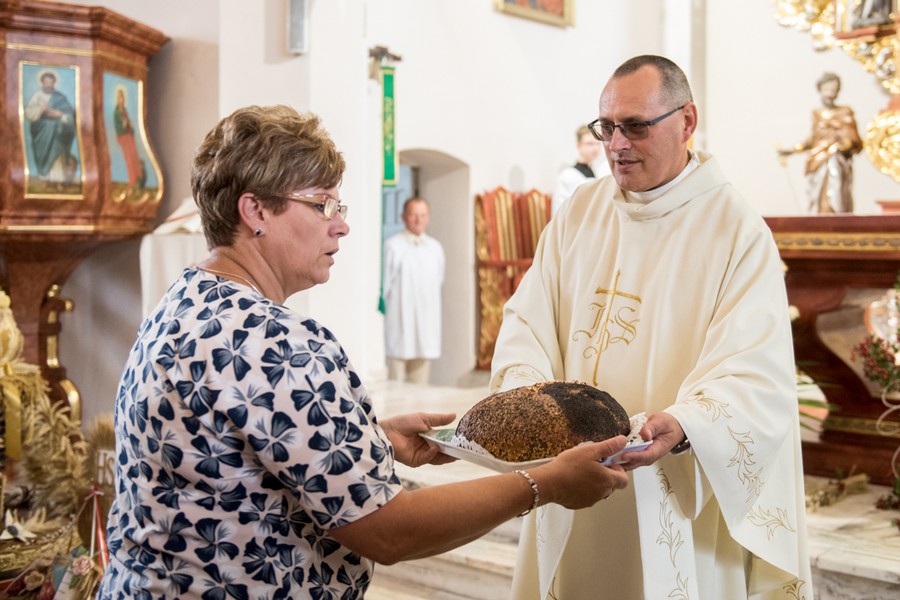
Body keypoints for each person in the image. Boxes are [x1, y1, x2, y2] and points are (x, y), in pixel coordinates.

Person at [98, 105, 630, 599]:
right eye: (322, 204)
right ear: (255, 210)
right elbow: (390, 530)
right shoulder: (278, 342)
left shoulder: (183, 301)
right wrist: (544, 483)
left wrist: (368, 440)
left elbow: (236, 454)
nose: (341, 224)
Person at [491, 55, 811, 600]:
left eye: (636, 126)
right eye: (607, 126)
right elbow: (528, 321)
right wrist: (530, 401)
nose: (616, 144)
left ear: (687, 121)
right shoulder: (579, 212)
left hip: (674, 487)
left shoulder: (735, 230)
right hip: (569, 473)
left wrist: (686, 423)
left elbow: (755, 369)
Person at [778, 72, 862, 214]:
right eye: (826, 89)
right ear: (820, 89)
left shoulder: (844, 112)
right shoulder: (817, 113)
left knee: (835, 192)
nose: (830, 93)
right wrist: (793, 149)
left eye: (833, 89)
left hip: (836, 158)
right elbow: (814, 139)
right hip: (818, 158)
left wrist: (842, 145)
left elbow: (853, 139)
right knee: (818, 194)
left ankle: (836, 219)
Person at [383, 197, 445, 384]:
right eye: (413, 215)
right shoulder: (393, 246)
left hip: (426, 325)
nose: (418, 220)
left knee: (420, 386)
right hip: (400, 324)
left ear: (428, 217)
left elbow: (439, 280)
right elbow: (385, 285)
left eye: (423, 215)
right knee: (395, 384)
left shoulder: (435, 247)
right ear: (403, 217)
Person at [24, 70, 77, 189]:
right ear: (42, 83)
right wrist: (41, 109)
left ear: (54, 83)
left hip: (57, 132)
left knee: (57, 155)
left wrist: (60, 114)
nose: (48, 85)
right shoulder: (37, 96)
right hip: (41, 132)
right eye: (46, 82)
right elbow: (28, 113)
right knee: (43, 155)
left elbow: (70, 116)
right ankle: (45, 180)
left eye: (50, 82)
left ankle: (59, 182)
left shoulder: (60, 97)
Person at [551, 124, 602, 215]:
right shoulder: (567, 176)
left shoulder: (600, 173)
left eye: (598, 143)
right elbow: (559, 211)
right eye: (589, 144)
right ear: (578, 145)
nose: (595, 148)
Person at [113, 85, 143, 194]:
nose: (121, 100)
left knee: (134, 158)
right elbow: (118, 127)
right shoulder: (117, 112)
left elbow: (129, 127)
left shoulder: (124, 110)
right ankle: (132, 183)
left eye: (122, 97)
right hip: (123, 137)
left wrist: (130, 125)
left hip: (129, 136)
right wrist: (124, 125)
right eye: (119, 98)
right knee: (129, 159)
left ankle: (138, 182)